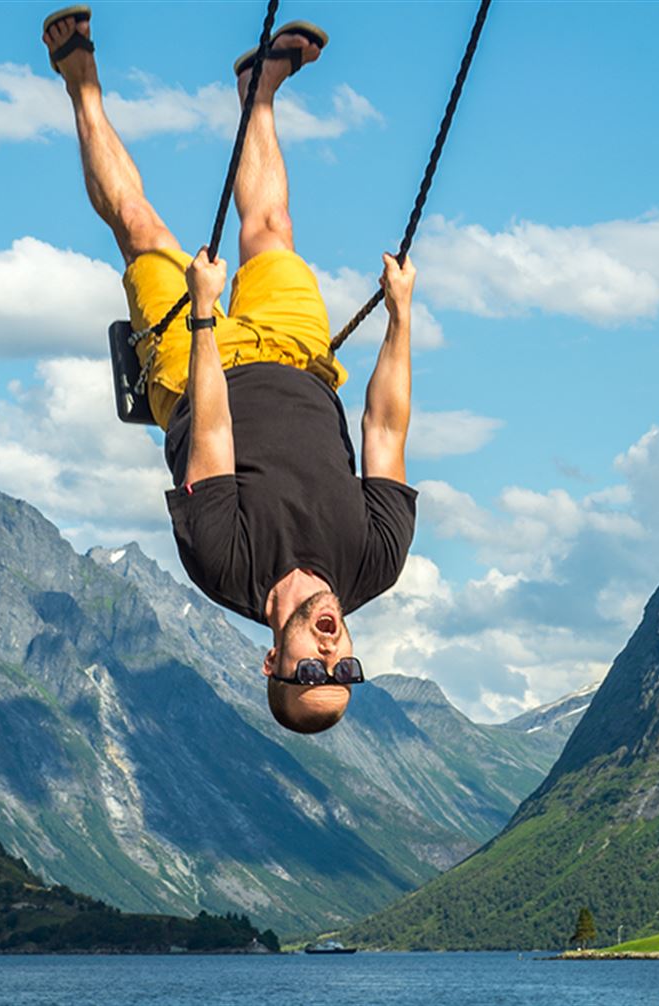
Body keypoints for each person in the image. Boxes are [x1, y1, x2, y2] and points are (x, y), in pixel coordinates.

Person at [43, 6, 417, 733]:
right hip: (300, 359)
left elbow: (211, 434)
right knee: (270, 227)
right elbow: (383, 426)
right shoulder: (377, 561)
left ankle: (80, 81)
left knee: (141, 225)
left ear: (272, 663)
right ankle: (260, 89)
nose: (331, 656)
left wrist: (206, 315)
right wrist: (401, 318)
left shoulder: (224, 566)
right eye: (346, 675)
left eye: (311, 673)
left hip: (193, 369)